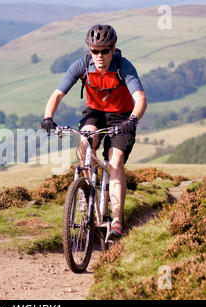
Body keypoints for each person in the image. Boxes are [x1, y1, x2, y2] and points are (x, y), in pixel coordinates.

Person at [41, 24, 147, 239]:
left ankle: (117, 221)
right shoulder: (82, 65)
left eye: (105, 50)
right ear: (89, 50)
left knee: (115, 161)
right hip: (94, 114)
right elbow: (57, 95)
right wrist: (48, 118)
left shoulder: (123, 67)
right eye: (94, 50)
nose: (99, 55)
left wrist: (132, 120)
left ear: (113, 48)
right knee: (85, 143)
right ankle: (85, 193)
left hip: (122, 117)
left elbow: (140, 99)